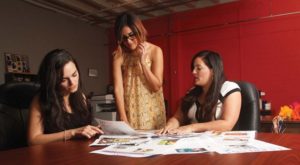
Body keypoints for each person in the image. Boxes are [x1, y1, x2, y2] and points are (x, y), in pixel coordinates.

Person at [27, 49, 103, 145]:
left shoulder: (81, 97)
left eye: (74, 75)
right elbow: (33, 140)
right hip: (54, 155)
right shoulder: (40, 100)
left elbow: (82, 130)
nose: (72, 82)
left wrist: (94, 130)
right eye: (64, 79)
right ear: (53, 80)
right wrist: (72, 133)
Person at [159, 50, 241, 135]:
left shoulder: (229, 88)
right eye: (193, 68)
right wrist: (170, 125)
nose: (193, 72)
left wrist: (192, 127)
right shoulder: (191, 92)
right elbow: (178, 117)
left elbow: (227, 124)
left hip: (219, 143)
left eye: (198, 68)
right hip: (193, 142)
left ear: (213, 71)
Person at [112, 12, 166, 130]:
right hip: (130, 110)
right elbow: (118, 89)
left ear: (139, 31)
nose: (129, 42)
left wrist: (142, 63)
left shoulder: (155, 51)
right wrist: (122, 117)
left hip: (152, 112)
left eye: (132, 36)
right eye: (124, 38)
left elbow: (156, 86)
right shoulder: (119, 56)